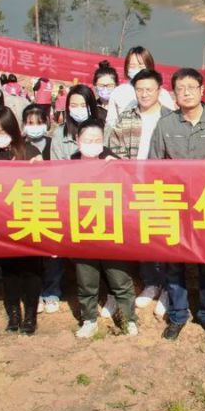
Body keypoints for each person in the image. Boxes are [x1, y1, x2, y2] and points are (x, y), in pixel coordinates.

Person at [148, 68, 205, 339]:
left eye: (192, 87)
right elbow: (153, 164)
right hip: (174, 203)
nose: (186, 93)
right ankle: (178, 315)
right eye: (180, 88)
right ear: (174, 94)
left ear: (203, 91)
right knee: (174, 263)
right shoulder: (165, 125)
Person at [105, 68, 171, 310]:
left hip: (163, 186)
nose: (144, 94)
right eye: (140, 90)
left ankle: (168, 287)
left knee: (164, 237)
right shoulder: (127, 117)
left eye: (149, 89)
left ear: (159, 90)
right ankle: (151, 282)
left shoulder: (170, 117)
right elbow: (115, 148)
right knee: (143, 236)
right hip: (134, 184)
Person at [71, 119, 139, 338]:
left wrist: (120, 169)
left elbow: (130, 190)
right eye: (87, 140)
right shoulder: (68, 165)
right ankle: (89, 319)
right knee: (86, 281)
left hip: (110, 231)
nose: (92, 144)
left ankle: (129, 319)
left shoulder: (113, 162)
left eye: (97, 140)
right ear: (77, 140)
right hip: (82, 232)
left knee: (120, 279)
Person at [0, 107, 43, 334]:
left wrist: (39, 167)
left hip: (28, 218)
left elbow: (45, 183)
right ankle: (14, 313)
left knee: (31, 269)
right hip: (1, 222)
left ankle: (31, 314)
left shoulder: (29, 151)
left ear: (13, 130)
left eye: (2, 131)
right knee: (9, 270)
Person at [19, 104, 61, 314]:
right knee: (30, 252)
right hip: (25, 203)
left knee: (52, 252)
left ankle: (52, 291)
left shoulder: (53, 145)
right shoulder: (18, 147)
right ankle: (33, 293)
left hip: (51, 203)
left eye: (39, 122)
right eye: (30, 123)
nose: (34, 126)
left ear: (47, 123)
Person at [106, 46, 176, 129]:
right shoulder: (119, 92)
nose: (137, 70)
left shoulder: (161, 93)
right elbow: (110, 123)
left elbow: (172, 122)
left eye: (141, 66)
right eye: (132, 66)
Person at [50, 84, 101, 161]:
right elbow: (56, 165)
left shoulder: (104, 130)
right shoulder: (60, 134)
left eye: (83, 106)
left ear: (91, 107)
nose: (79, 109)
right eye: (74, 106)